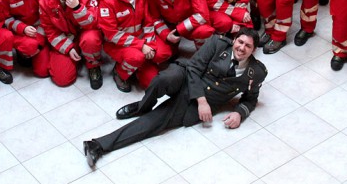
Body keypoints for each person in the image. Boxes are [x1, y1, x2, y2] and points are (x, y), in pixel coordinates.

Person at [83, 29, 267, 168]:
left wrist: (239, 114)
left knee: (155, 121)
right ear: (234, 40)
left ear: (253, 50)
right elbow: (194, 68)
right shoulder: (218, 43)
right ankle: (142, 106)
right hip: (188, 75)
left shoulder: (256, 72)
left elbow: (250, 99)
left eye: (247, 46)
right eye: (240, 42)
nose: (241, 48)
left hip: (194, 103)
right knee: (162, 80)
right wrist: (202, 100)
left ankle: (97, 145)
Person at [98, 0, 171, 92]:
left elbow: (148, 20)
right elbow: (111, 34)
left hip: (140, 38)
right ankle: (119, 72)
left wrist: (150, 45)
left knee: (163, 53)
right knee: (136, 57)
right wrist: (141, 46)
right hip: (118, 43)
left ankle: (139, 66)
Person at [39, 0, 103, 88]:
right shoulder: (45, 2)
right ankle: (75, 57)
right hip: (66, 38)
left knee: (91, 39)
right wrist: (68, 48)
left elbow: (93, 24)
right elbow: (50, 31)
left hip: (85, 33)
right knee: (62, 79)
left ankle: (93, 65)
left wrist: (78, 8)